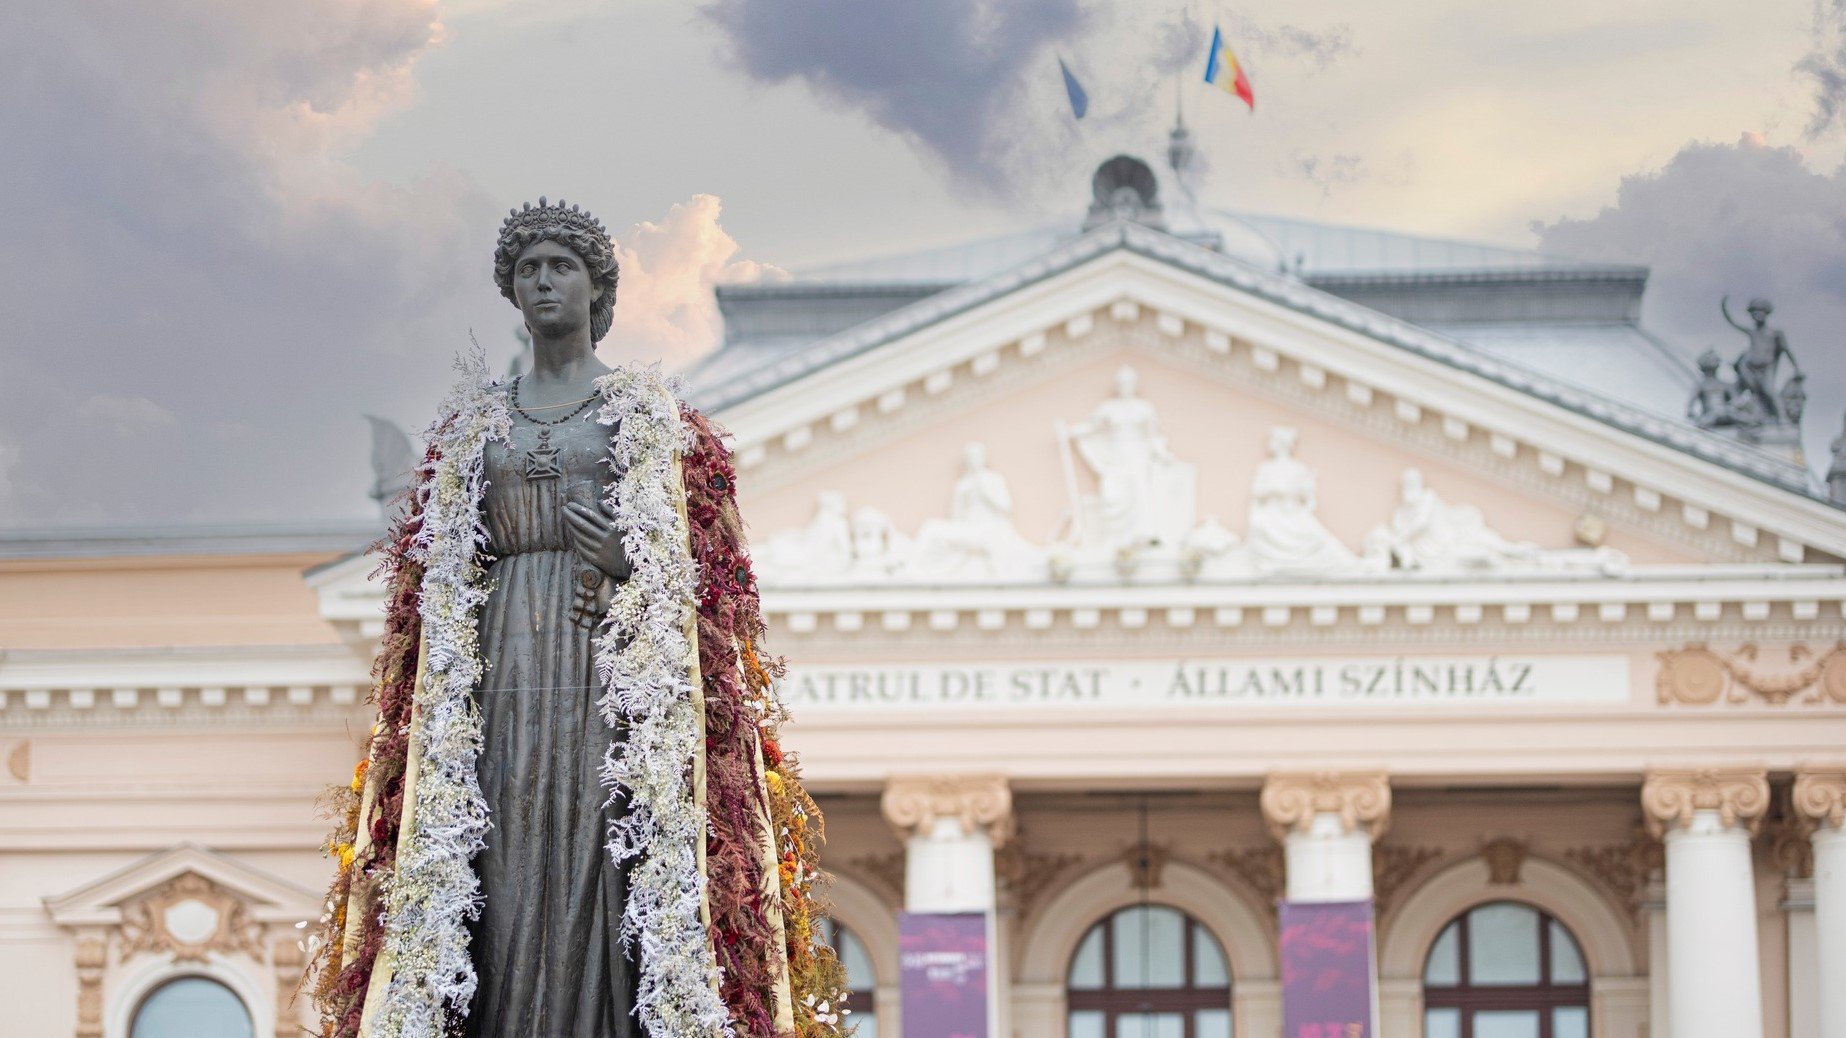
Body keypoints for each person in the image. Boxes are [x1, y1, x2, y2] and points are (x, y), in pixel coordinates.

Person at [1721, 296, 1801, 422]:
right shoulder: (1753, 332)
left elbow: (1786, 350)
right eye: (1754, 312)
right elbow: (1733, 322)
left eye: (1760, 311)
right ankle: (1748, 414)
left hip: (1766, 368)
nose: (1757, 315)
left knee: (1769, 391)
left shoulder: (1775, 333)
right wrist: (1724, 307)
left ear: (1766, 313)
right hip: (1749, 367)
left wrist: (1796, 369)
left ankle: (1782, 418)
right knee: (1743, 390)